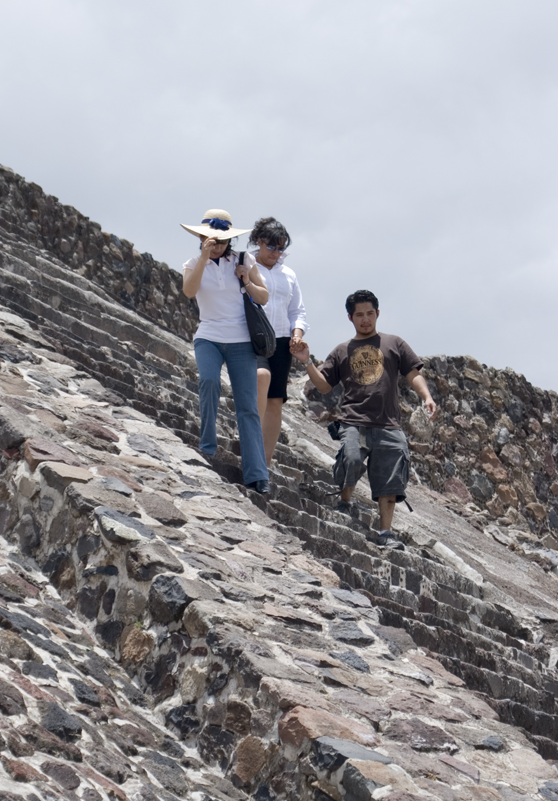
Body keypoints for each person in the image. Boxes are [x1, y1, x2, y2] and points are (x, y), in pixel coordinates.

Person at [291, 288, 437, 548]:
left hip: (389, 424)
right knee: (351, 458)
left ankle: (385, 533)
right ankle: (345, 501)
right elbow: (324, 386)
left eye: (370, 313)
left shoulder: (394, 343)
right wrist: (307, 363)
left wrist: (426, 396)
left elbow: (413, 373)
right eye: (360, 314)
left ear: (378, 313)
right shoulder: (341, 350)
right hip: (353, 420)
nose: (366, 319)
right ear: (351, 317)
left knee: (391, 480)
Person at [182, 209, 271, 495]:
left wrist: (246, 279)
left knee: (247, 405)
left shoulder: (245, 260)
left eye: (221, 240)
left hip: (241, 341)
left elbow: (264, 296)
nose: (216, 243)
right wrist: (205, 259)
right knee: (208, 382)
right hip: (208, 335)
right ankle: (207, 448)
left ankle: (257, 474)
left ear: (230, 241)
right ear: (201, 237)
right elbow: (189, 290)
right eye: (211, 238)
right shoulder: (193, 263)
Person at [249, 216, 308, 464]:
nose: (276, 252)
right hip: (253, 337)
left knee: (275, 401)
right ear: (259, 241)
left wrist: (297, 334)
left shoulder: (289, 274)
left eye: (281, 247)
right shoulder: (246, 264)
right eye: (271, 246)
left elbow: (297, 311)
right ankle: (250, 450)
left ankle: (265, 460)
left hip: (282, 341)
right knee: (258, 390)